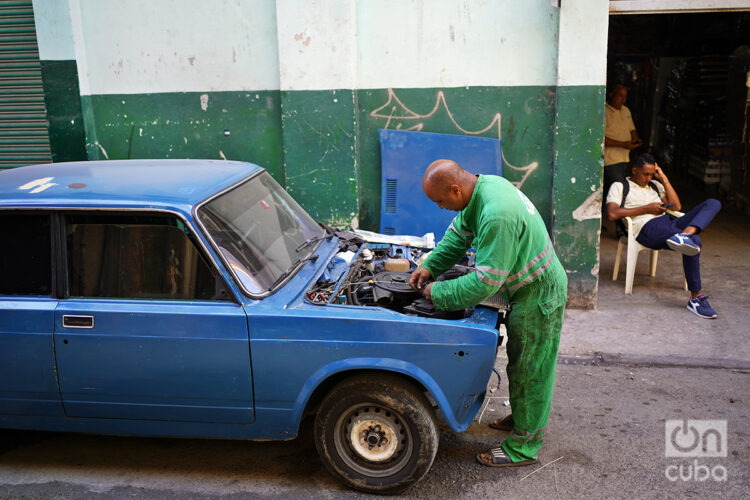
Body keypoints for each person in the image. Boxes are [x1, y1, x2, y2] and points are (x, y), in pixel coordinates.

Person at [409, 159, 567, 468]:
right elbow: (458, 237)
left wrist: (438, 292)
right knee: (520, 365)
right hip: (524, 288)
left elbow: (486, 281)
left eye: (441, 201)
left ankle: (524, 446)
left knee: (530, 370)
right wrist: (430, 265)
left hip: (539, 294)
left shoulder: (497, 213)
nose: (441, 207)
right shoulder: (482, 188)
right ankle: (524, 418)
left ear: (455, 189)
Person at [606, 153, 721, 319]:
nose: (649, 177)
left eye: (652, 174)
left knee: (713, 203)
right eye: (646, 174)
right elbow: (612, 213)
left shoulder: (655, 185)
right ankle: (696, 297)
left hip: (668, 222)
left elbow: (677, 205)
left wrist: (664, 179)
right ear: (635, 170)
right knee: (695, 242)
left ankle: (684, 235)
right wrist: (646, 209)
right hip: (646, 228)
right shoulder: (620, 186)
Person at [604, 84, 642, 219]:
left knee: (615, 191)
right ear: (611, 95)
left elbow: (632, 129)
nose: (623, 100)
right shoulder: (604, 111)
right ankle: (620, 226)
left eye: (625, 96)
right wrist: (623, 144)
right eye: (620, 96)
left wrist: (635, 139)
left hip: (625, 158)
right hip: (610, 160)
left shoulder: (626, 110)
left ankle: (610, 220)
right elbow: (601, 138)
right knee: (619, 192)